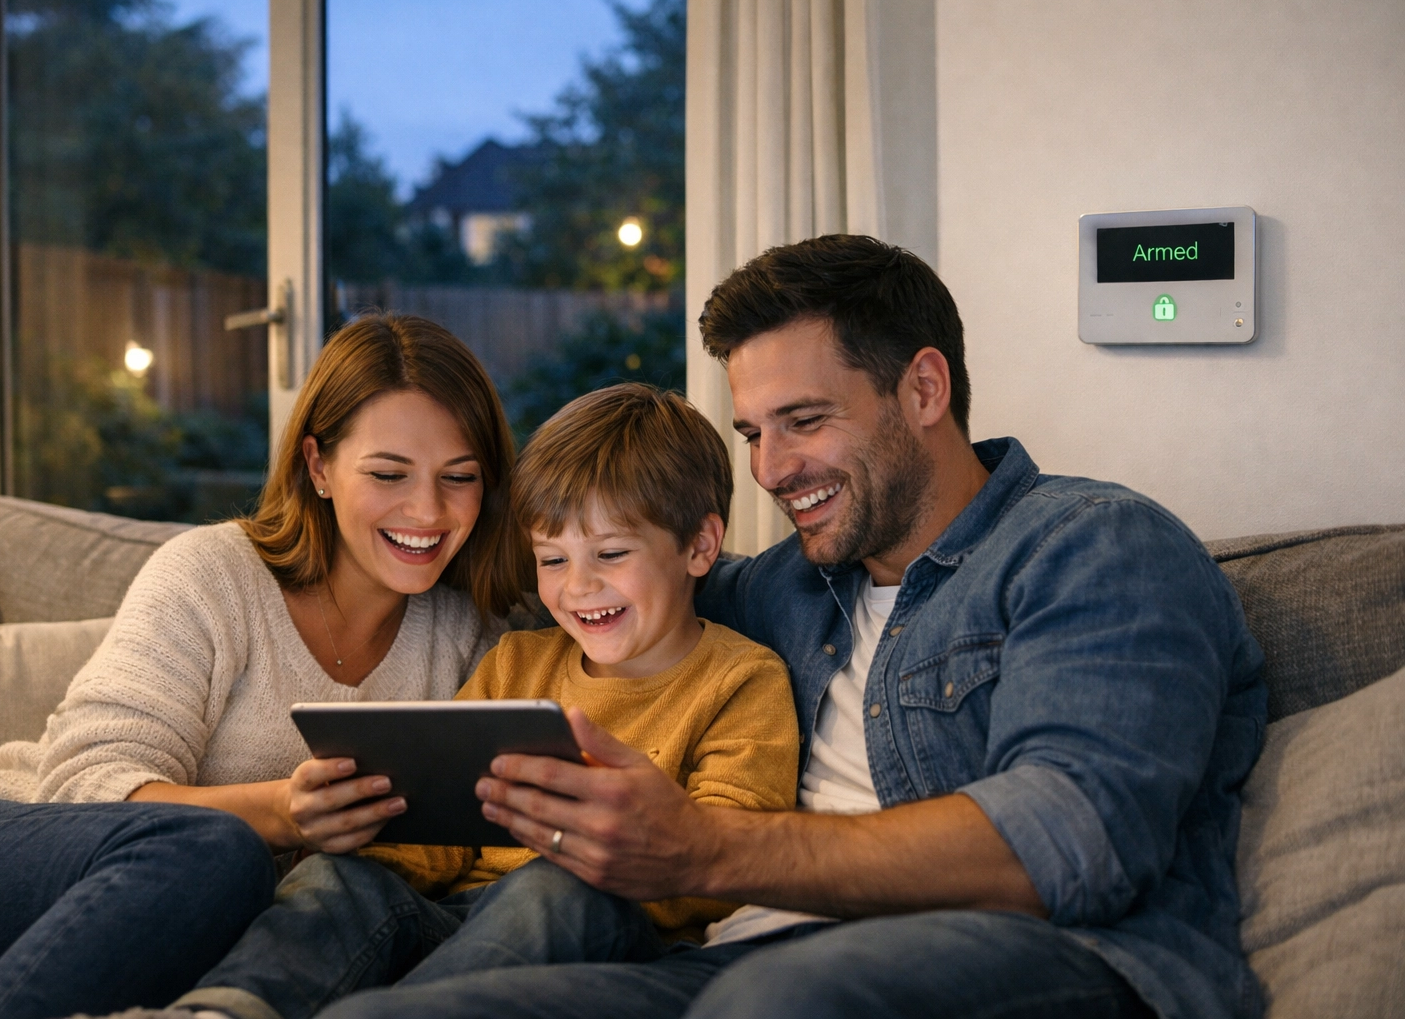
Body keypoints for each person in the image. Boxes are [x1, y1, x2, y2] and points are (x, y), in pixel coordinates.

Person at [316, 236, 1269, 1019]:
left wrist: (705, 848)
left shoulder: (1094, 547)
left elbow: (1075, 839)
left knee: (777, 1001)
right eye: (752, 435)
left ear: (924, 390)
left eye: (804, 421)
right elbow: (605, 575)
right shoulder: (787, 587)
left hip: (1059, 961)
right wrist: (360, 553)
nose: (772, 469)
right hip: (731, 961)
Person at [0, 313, 530, 1019]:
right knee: (222, 853)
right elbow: (82, 786)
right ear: (318, 466)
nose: (427, 510)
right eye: (388, 473)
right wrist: (283, 814)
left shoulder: (472, 638)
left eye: (458, 477)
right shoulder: (216, 575)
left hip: (171, 932)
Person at [151, 383, 798, 1019]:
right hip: (459, 923)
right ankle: (222, 1010)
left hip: (601, 927)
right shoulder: (516, 662)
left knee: (558, 888)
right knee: (340, 881)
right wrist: (369, 845)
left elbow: (720, 861)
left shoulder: (741, 681)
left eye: (610, 553)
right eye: (551, 560)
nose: (578, 586)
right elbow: (446, 826)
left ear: (700, 547)